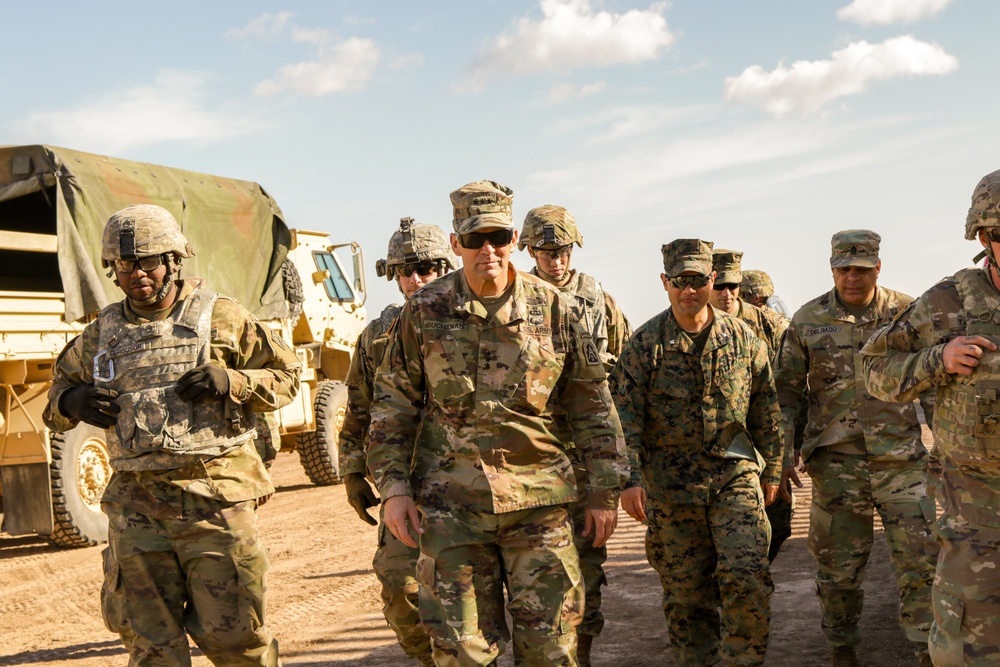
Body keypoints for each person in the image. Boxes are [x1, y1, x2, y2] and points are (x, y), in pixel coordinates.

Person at [367, 180, 629, 667]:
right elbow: (391, 406)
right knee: (461, 655)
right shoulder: (424, 312)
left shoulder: (556, 310)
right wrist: (394, 489)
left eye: (497, 237)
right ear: (455, 244)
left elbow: (592, 406)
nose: (487, 250)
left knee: (551, 653)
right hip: (451, 511)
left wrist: (604, 492)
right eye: (473, 239)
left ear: (513, 239)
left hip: (541, 508)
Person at [43, 204, 300, 666]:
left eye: (148, 262)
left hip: (213, 500)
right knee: (151, 648)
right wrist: (70, 402)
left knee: (237, 640)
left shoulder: (223, 317)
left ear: (174, 262)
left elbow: (287, 378)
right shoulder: (100, 334)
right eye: (124, 265)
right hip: (136, 508)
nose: (137, 273)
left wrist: (235, 382)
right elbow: (55, 401)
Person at [609, 238, 781, 667]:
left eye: (698, 281)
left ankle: (744, 660)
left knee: (747, 575)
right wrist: (630, 480)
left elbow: (766, 406)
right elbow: (624, 418)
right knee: (686, 593)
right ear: (665, 282)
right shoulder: (644, 345)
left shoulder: (743, 338)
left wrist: (773, 469)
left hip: (734, 477)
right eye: (680, 281)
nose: (690, 290)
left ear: (712, 280)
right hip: (671, 488)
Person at [774, 230, 937, 667]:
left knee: (920, 561)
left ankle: (925, 649)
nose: (852, 278)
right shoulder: (808, 319)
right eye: (844, 269)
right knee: (838, 570)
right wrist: (781, 457)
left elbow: (934, 386)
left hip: (900, 461)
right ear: (832, 269)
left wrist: (946, 445)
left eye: (861, 269)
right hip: (837, 463)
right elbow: (787, 394)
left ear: (877, 268)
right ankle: (841, 648)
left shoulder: (907, 312)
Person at [862, 169, 1000, 666]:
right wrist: (936, 360)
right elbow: (873, 368)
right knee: (965, 652)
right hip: (978, 513)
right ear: (983, 237)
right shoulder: (948, 303)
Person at [338, 217, 458, 667]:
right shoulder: (375, 336)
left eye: (426, 267)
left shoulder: (473, 322)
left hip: (472, 485)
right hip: (407, 486)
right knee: (401, 590)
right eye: (405, 270)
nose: (416, 279)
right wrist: (351, 470)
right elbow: (358, 408)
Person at [517, 203, 631, 666]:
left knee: (586, 567)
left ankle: (580, 654)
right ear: (530, 250)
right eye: (545, 251)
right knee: (529, 573)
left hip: (582, 454)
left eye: (562, 250)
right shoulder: (516, 296)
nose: (555, 260)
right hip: (531, 455)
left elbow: (616, 379)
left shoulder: (598, 298)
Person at [709, 249, 793, 563]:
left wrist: (789, 450)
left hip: (765, 437)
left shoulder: (770, 325)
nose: (728, 294)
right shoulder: (690, 323)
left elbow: (794, 386)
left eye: (734, 286)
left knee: (779, 520)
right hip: (719, 448)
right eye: (721, 287)